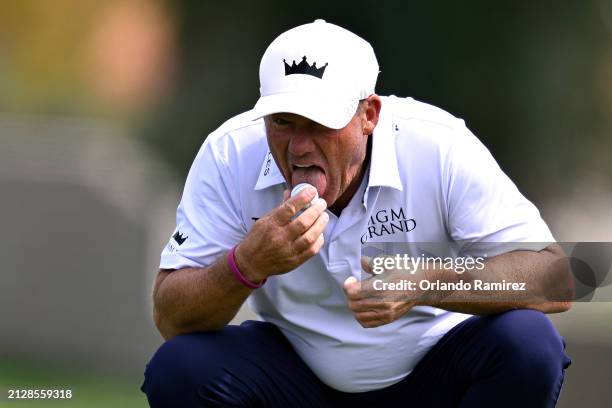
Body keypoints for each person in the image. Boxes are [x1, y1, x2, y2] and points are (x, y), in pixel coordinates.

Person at [141, 19, 572, 407]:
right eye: (283, 122)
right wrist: (246, 264)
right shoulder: (229, 152)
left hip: (435, 377)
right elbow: (171, 316)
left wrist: (427, 282)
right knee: (181, 368)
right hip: (295, 378)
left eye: (319, 124)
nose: (298, 147)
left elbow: (560, 278)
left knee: (529, 343)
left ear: (369, 115)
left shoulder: (438, 145)